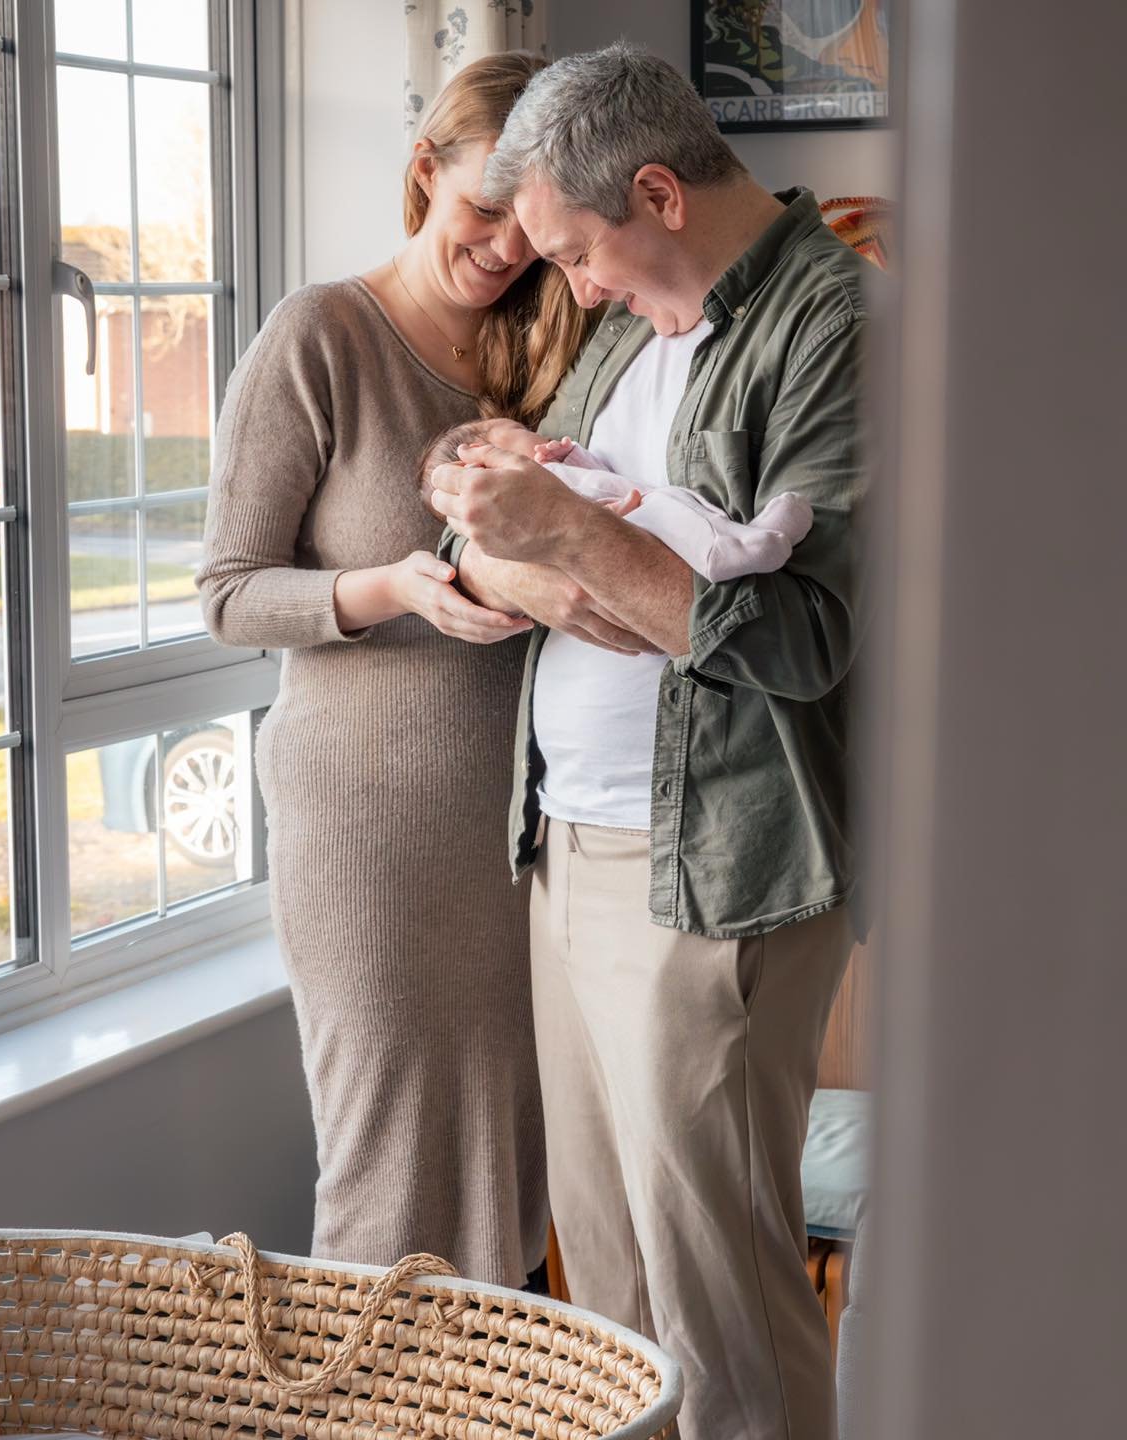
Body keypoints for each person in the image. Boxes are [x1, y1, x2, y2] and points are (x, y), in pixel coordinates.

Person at [430, 43, 877, 1439]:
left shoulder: (836, 323)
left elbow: (805, 637)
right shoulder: (630, 323)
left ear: (660, 194)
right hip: (566, 841)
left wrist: (565, 539)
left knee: (722, 1312)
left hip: (716, 869)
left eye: (575, 253)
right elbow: (507, 507)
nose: (569, 290)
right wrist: (496, 519)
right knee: (606, 1291)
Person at [196, 53, 603, 1289]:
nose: (503, 248)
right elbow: (227, 592)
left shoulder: (537, 347)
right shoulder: (320, 335)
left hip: (514, 829)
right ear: (424, 171)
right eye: (484, 209)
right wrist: (392, 590)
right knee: (388, 1171)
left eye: (530, 227)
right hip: (367, 831)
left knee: (508, 1165)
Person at [419, 416, 814, 580]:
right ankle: (724, 556)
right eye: (513, 430)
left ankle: (746, 535)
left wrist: (571, 456)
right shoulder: (529, 497)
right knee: (672, 514)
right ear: (483, 462)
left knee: (686, 505)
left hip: (647, 501)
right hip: (635, 521)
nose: (531, 430)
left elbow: (596, 477)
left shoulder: (552, 471)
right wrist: (613, 516)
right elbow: (573, 518)